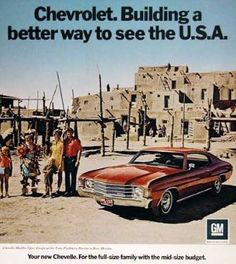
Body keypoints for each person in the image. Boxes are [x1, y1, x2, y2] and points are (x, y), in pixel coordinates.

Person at [63, 127, 82, 196]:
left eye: (70, 132)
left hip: (73, 159)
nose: (69, 134)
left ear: (72, 133)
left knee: (73, 175)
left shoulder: (76, 140)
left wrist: (78, 160)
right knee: (67, 175)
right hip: (66, 159)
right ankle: (67, 190)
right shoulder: (65, 141)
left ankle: (73, 190)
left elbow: (79, 150)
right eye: (67, 132)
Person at [50, 129, 64, 195]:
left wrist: (61, 163)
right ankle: (50, 189)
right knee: (50, 174)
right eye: (55, 135)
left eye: (57, 135)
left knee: (59, 175)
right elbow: (51, 152)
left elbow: (62, 154)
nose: (56, 136)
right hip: (53, 161)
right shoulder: (52, 143)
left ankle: (58, 189)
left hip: (59, 161)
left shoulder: (61, 144)